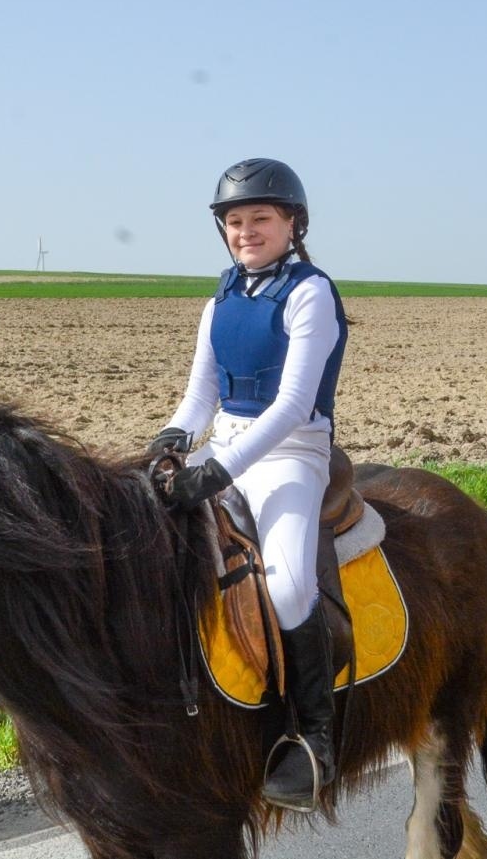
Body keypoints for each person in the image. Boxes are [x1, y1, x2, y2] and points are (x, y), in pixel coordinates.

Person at [149, 157, 349, 812]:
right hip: (226, 445)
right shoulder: (221, 300)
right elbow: (199, 397)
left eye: (260, 217)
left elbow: (291, 405)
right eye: (235, 221)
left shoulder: (311, 293)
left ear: (293, 224)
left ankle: (314, 735)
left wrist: (217, 471)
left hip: (291, 453)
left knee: (288, 585)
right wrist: (171, 440)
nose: (246, 231)